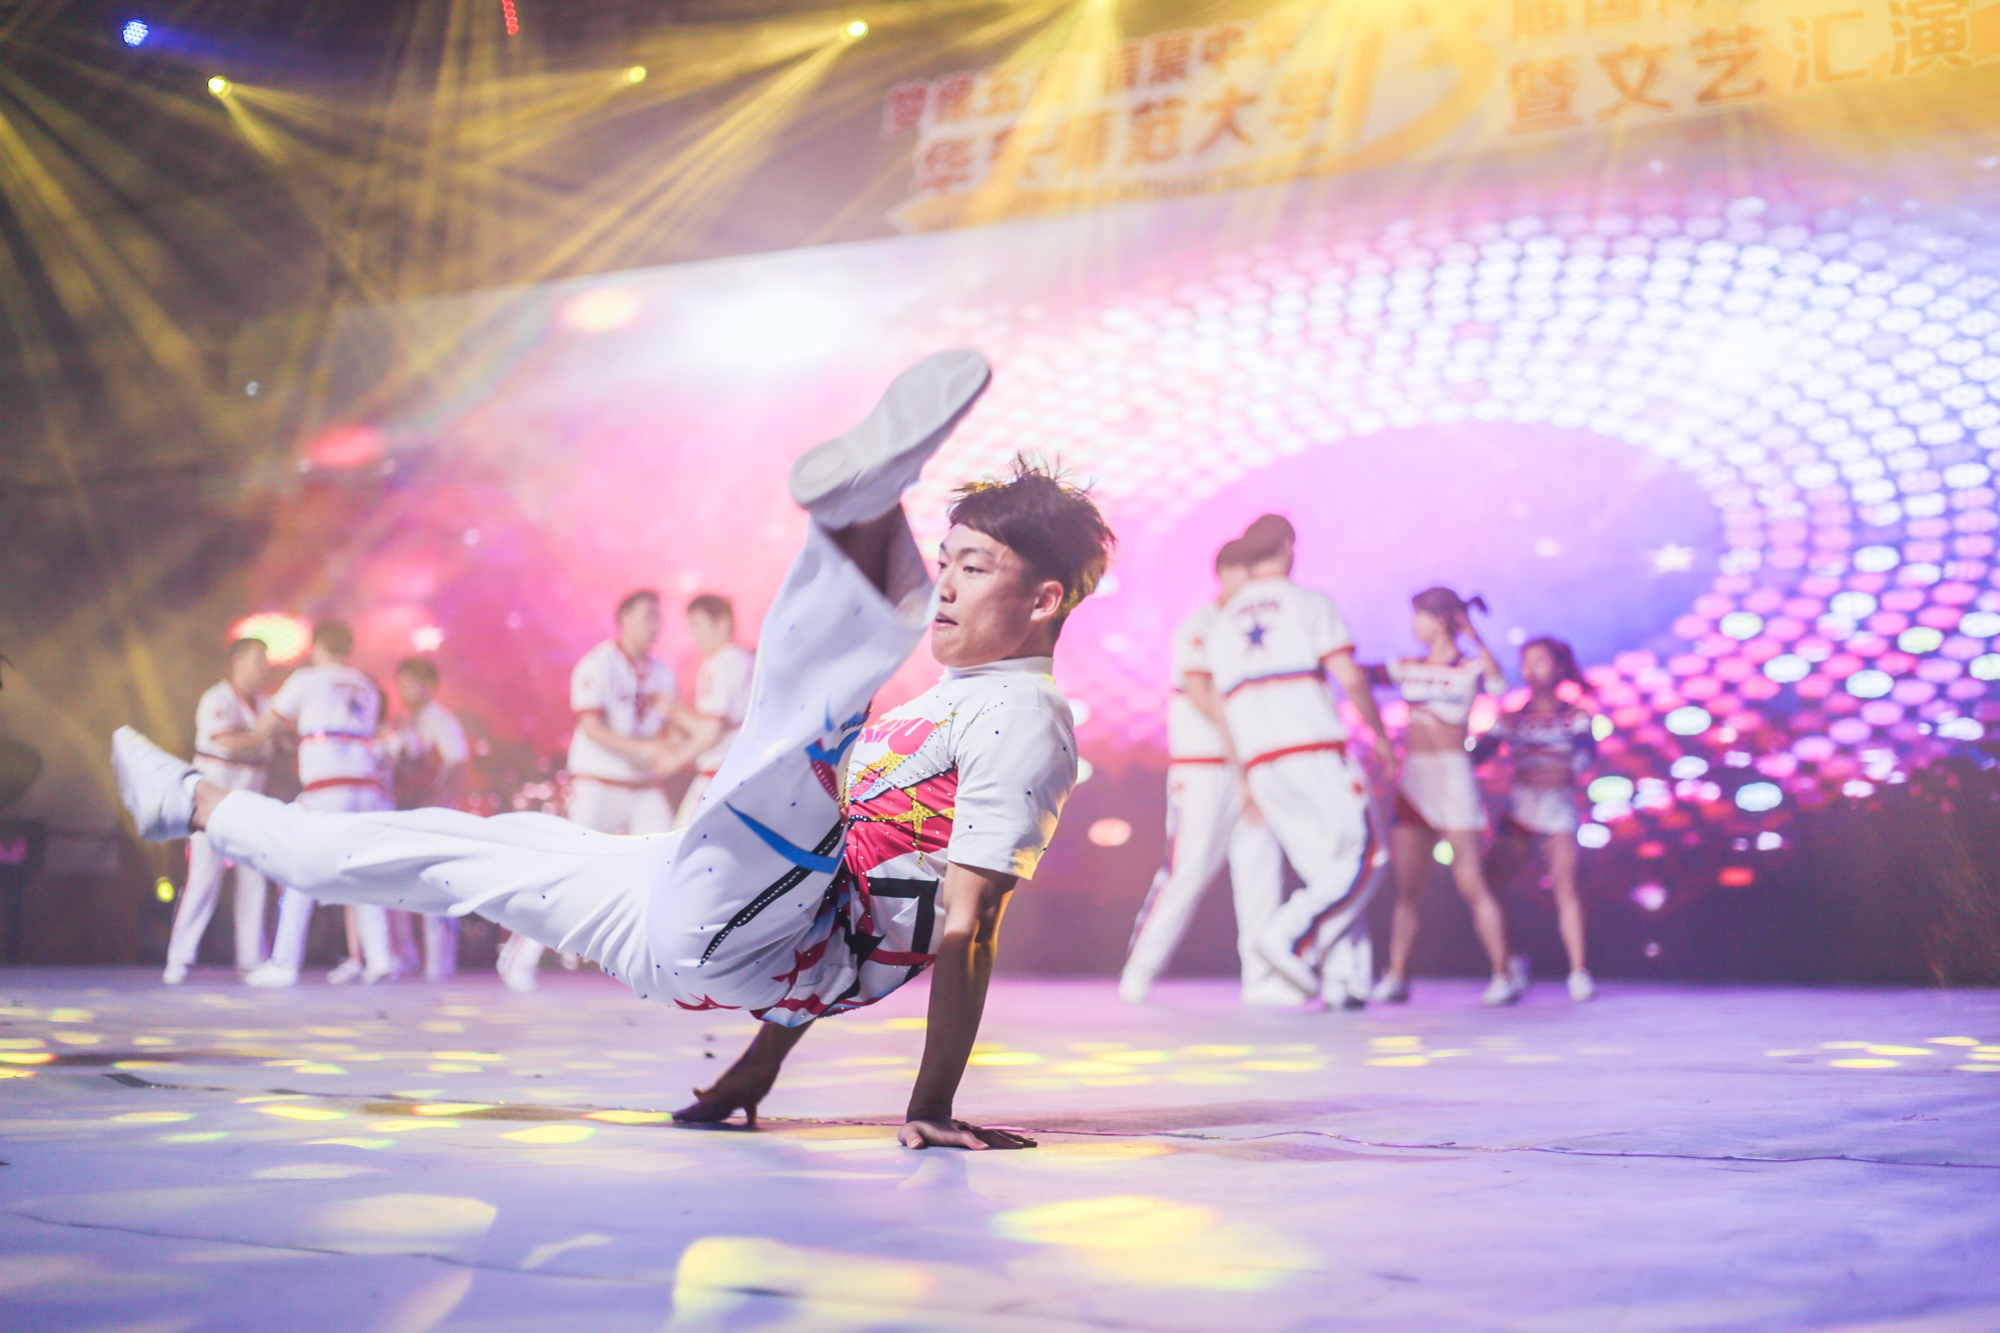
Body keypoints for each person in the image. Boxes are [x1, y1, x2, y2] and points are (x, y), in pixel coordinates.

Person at [113, 348, 1112, 1150]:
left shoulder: (1026, 718)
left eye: (973, 566)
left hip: (755, 933)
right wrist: (753, 1072)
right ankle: (197, 805)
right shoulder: (949, 701)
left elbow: (967, 923)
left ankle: (856, 527)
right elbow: (832, 887)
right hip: (709, 915)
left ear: (1042, 599)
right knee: (433, 850)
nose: (948, 586)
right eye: (943, 562)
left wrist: (930, 1104)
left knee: (801, 741)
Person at [1201, 514, 1393, 1008]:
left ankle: (1345, 981)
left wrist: (1244, 778)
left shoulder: (1220, 625)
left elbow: (1223, 711)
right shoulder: (1308, 603)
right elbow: (1350, 678)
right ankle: (1288, 935)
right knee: (1366, 858)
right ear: (1289, 545)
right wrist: (1380, 735)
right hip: (1315, 752)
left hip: (1262, 763)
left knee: (1327, 871)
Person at [1118, 539, 1286, 1005]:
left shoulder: (1251, 625)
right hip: (1205, 767)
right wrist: (1242, 739)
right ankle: (1140, 971)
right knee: (1187, 869)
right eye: (1247, 573)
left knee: (1261, 869)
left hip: (1253, 766)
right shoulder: (1201, 624)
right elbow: (1199, 691)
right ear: (1227, 572)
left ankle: (1262, 978)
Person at [497, 589, 680, 991]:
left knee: (668, 864)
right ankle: (519, 955)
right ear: (624, 618)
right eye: (647, 615)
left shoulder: (664, 673)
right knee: (568, 870)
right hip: (598, 782)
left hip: (643, 785)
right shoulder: (597, 664)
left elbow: (668, 731)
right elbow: (592, 728)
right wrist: (646, 749)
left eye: (658, 616)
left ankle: (655, 965)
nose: (655, 625)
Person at [1368, 587, 1526, 1007]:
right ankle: (1397, 975)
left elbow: (1500, 684)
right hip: (1415, 781)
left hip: (1454, 779)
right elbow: (1358, 675)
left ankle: (1503, 973)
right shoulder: (1408, 666)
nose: (1413, 624)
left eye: (1419, 615)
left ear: (1439, 620)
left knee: (1471, 882)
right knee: (1408, 889)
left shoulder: (1469, 666)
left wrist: (1473, 634)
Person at [237, 621, 396, 988]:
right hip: (367, 788)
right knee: (364, 874)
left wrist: (236, 742)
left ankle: (284, 963)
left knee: (299, 868)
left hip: (328, 787)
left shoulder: (307, 679)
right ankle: (380, 959)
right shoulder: (366, 685)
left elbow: (266, 726)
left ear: (317, 647)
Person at [1477, 636, 1597, 1001]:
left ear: (1559, 668)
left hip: (1558, 809)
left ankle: (1578, 972)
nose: (1531, 669)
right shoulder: (1511, 718)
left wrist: (1567, 771)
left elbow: (1586, 754)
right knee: (1488, 881)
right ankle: (1510, 961)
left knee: (1565, 886)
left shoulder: (1575, 716)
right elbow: (1478, 753)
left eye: (1540, 661)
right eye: (1526, 661)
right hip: (1520, 810)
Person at [163, 637, 274, 983]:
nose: (264, 666)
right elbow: (228, 743)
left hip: (250, 805)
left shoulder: (267, 704)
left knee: (254, 879)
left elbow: (282, 740)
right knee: (203, 879)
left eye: (265, 659)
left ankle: (251, 959)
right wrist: (265, 733)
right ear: (237, 660)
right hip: (212, 805)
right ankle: (179, 958)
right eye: (258, 659)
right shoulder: (217, 698)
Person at [387, 657, 471, 981]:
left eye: (412, 684)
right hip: (413, 813)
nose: (405, 691)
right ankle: (408, 955)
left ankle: (439, 964)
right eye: (402, 684)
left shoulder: (440, 720)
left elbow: (457, 764)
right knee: (404, 887)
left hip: (435, 817)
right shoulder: (411, 722)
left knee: (435, 890)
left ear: (430, 687)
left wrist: (437, 806)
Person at [666, 594, 756, 830]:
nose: (694, 635)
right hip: (748, 774)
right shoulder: (750, 658)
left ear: (722, 623)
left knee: (681, 842)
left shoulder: (718, 663)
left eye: (697, 625)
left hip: (718, 775)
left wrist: (671, 761)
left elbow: (710, 733)